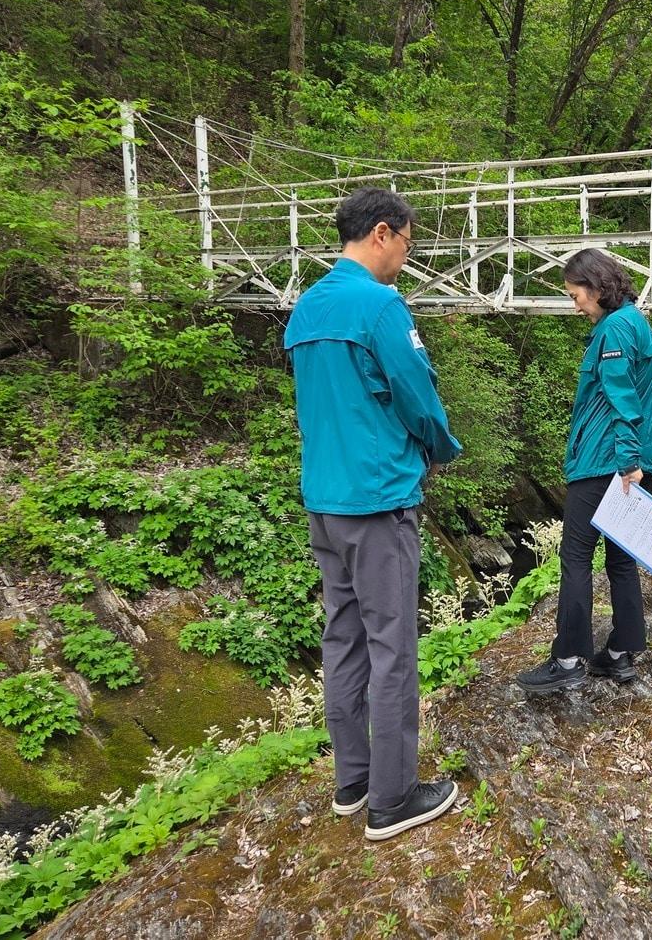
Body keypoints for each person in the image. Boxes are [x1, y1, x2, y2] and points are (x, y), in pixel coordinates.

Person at [285, 186, 463, 841]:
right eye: (408, 243)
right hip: (378, 499)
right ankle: (392, 801)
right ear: (383, 232)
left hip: (324, 501)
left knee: (344, 640)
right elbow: (418, 395)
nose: (407, 259)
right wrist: (440, 449)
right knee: (394, 647)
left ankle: (353, 780)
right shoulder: (381, 307)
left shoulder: (305, 308)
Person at [516, 249, 652, 693]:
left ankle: (567, 661)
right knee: (620, 560)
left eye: (575, 293)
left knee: (576, 559)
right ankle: (620, 655)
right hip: (626, 462)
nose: (574, 303)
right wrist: (636, 462)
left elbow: (623, 400)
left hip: (605, 463)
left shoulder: (614, 329)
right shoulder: (633, 320)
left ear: (596, 287)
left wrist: (626, 463)